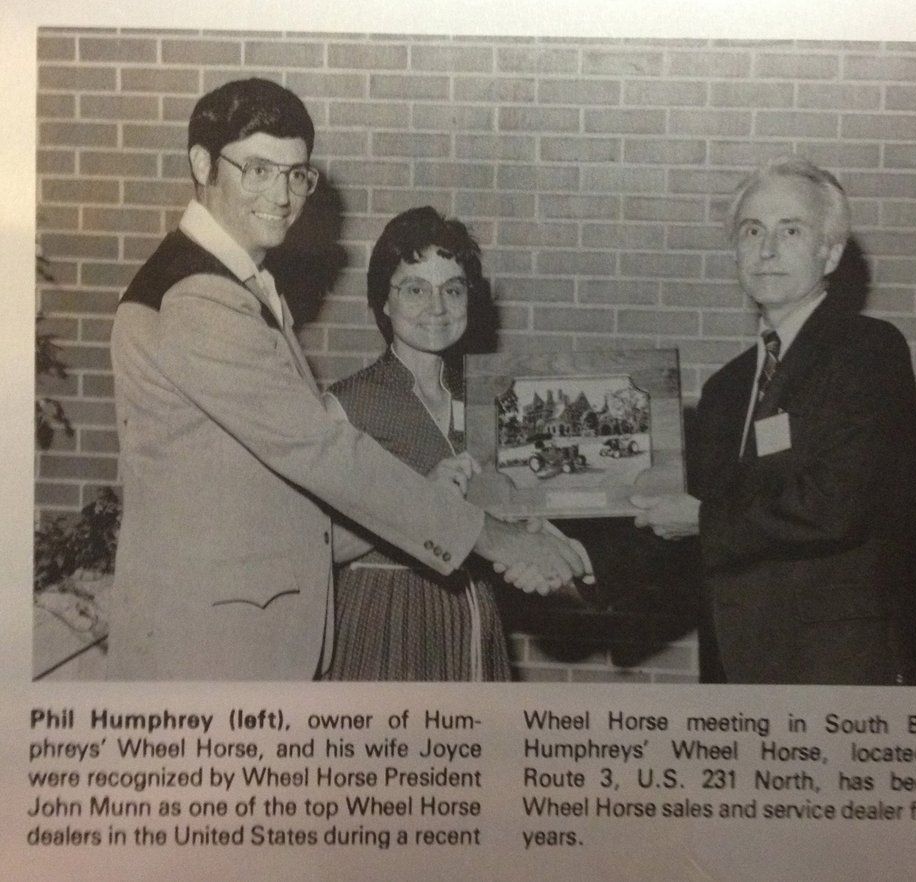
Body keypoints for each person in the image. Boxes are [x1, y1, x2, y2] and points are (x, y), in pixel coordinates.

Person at [108, 78, 584, 680]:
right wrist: (497, 538)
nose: (281, 195)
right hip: (215, 646)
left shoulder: (225, 282)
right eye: (257, 170)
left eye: (295, 174)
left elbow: (283, 511)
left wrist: (436, 501)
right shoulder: (200, 297)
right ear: (202, 165)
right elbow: (323, 452)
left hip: (233, 634)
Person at [633, 156, 916, 685]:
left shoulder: (868, 352)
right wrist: (579, 552)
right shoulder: (726, 388)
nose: (766, 250)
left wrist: (700, 521)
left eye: (790, 230)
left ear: (829, 252)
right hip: (732, 667)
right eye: (752, 231)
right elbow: (701, 518)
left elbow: (836, 502)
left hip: (835, 668)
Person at [327, 207, 513, 680]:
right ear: (383, 303)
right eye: (415, 289)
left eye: (452, 289)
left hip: (472, 619)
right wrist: (417, 499)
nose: (437, 307)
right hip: (383, 623)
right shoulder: (346, 406)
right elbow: (318, 549)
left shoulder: (489, 401)